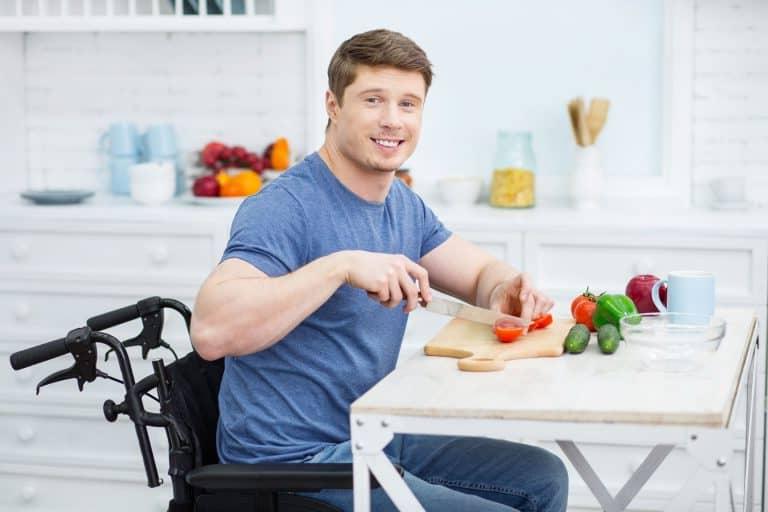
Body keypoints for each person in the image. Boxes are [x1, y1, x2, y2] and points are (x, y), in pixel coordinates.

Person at [191, 28, 568, 512]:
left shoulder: (402, 205)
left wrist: (503, 291)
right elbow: (211, 331)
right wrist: (340, 266)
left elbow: (480, 275)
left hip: (371, 436)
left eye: (408, 104)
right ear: (332, 105)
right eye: (373, 100)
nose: (392, 120)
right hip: (294, 464)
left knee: (543, 476)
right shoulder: (285, 207)